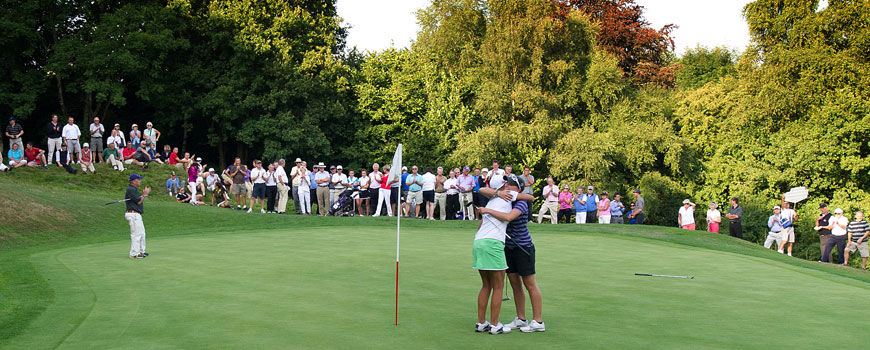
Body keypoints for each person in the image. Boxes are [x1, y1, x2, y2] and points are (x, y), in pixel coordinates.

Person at [479, 179, 545, 333]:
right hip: (509, 247)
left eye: (510, 185)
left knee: (529, 283)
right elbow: (483, 190)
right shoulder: (502, 198)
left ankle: (538, 321)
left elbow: (509, 217)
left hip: (523, 247)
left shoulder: (520, 203)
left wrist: (488, 210)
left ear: (518, 189)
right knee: (515, 283)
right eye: (506, 184)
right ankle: (521, 319)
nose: (507, 186)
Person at [469, 175, 517, 335]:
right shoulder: (508, 196)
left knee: (486, 285)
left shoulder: (492, 199)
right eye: (507, 183)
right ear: (504, 186)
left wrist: (496, 194)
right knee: (498, 286)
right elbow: (529, 196)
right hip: (492, 243)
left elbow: (482, 189)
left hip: (479, 242)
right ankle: (495, 325)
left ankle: (481, 323)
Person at [125, 173, 151, 259]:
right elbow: (139, 201)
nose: (140, 181)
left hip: (136, 214)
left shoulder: (134, 190)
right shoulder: (131, 189)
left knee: (142, 233)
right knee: (136, 234)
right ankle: (134, 254)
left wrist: (143, 195)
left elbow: (139, 200)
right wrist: (144, 194)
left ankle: (141, 251)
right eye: (138, 180)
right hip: (133, 214)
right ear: (133, 181)